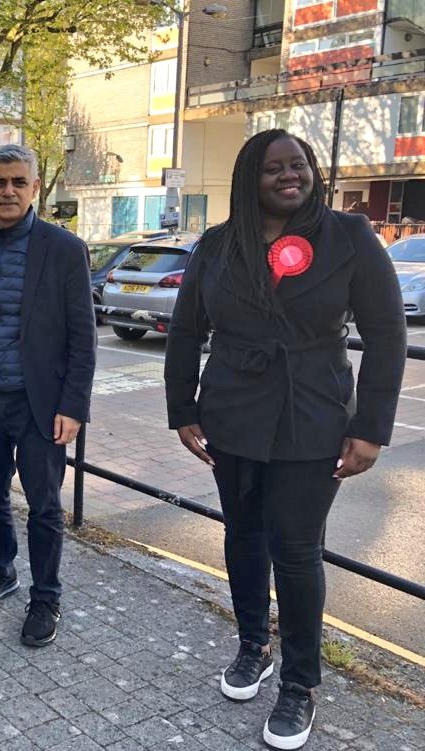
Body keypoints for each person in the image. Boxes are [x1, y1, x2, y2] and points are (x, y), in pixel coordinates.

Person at [164, 130, 406, 750]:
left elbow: (386, 335)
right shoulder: (218, 246)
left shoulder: (348, 237)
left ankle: (299, 685)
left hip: (313, 416)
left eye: (297, 165)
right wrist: (182, 409)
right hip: (231, 414)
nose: (288, 176)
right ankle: (253, 646)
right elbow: (186, 331)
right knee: (242, 536)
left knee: (296, 552)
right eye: (273, 168)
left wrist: (370, 428)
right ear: (251, 179)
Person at [0, 144, 96, 647]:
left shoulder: (65, 250)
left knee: (45, 505)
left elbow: (82, 336)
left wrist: (74, 405)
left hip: (42, 406)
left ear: (34, 189)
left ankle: (46, 595)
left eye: (17, 182)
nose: (8, 191)